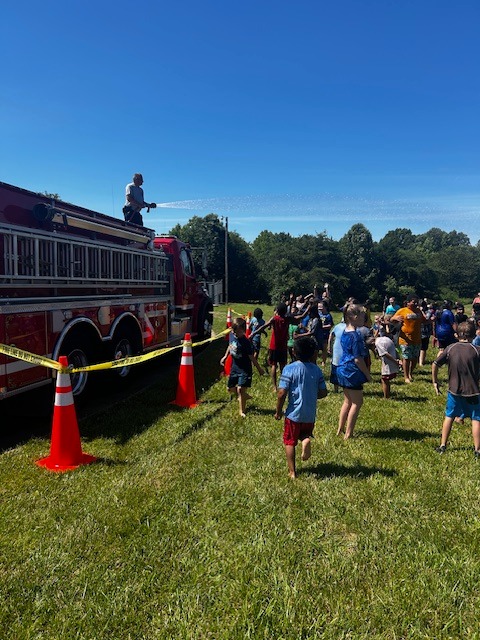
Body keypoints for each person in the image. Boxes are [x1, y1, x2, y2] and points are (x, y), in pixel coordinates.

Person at [275, 336, 328, 478]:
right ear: (312, 354)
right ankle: (305, 440)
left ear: (294, 352)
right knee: (303, 433)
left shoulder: (289, 369)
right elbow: (323, 392)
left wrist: (278, 411)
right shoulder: (316, 370)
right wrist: (311, 395)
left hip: (293, 414)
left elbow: (281, 393)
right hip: (309, 414)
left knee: (289, 441)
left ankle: (292, 472)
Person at [433, 322, 480, 458]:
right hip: (474, 390)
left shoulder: (450, 348)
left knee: (449, 416)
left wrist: (435, 381)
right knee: (476, 418)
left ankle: (443, 445)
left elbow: (435, 363)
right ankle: (477, 449)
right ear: (474, 334)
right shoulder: (477, 349)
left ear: (456, 335)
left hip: (454, 390)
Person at [251, 302, 307, 391]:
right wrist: (309, 308)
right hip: (283, 346)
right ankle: (284, 384)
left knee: (273, 365)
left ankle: (274, 386)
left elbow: (263, 327)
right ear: (285, 311)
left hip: (274, 346)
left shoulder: (274, 319)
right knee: (283, 367)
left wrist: (253, 334)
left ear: (277, 310)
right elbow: (301, 317)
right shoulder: (288, 319)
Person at [336, 304, 372, 439]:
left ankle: (340, 429)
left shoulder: (345, 331)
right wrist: (367, 375)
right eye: (363, 316)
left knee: (347, 401)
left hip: (342, 368)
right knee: (357, 402)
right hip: (352, 370)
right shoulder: (356, 336)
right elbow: (358, 359)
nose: (365, 318)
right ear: (355, 317)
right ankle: (349, 434)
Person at [220, 318, 264, 417]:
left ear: (243, 330)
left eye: (238, 332)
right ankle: (244, 396)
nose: (235, 334)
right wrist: (225, 356)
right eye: (234, 331)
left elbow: (251, 357)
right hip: (235, 367)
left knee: (240, 389)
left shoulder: (246, 342)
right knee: (230, 388)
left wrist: (259, 368)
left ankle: (242, 411)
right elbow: (230, 346)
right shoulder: (232, 336)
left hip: (245, 369)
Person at [391, 294, 425, 384]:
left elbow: (424, 320)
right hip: (405, 339)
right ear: (408, 302)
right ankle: (406, 377)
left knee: (415, 358)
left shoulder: (418, 311)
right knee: (406, 358)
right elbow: (391, 319)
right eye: (414, 302)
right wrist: (395, 318)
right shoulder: (402, 311)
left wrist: (432, 319)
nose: (415, 304)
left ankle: (410, 373)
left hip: (417, 339)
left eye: (417, 302)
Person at [375, 332, 401, 399]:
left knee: (384, 379)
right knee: (386, 379)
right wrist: (398, 358)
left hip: (389, 362)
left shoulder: (378, 344)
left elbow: (385, 353)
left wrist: (395, 361)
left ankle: (386, 397)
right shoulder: (384, 338)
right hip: (391, 350)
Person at [328, 316, 347, 393]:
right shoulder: (349, 327)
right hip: (343, 351)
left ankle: (336, 389)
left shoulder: (337, 326)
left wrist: (329, 346)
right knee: (344, 370)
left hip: (336, 351)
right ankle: (344, 388)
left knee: (335, 368)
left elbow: (330, 336)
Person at [318, 301, 333, 366]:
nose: (319, 308)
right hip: (318, 334)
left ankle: (323, 361)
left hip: (325, 334)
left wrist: (322, 327)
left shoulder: (328, 315)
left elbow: (330, 325)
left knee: (324, 348)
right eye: (318, 307)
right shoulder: (318, 315)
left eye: (321, 307)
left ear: (325, 307)